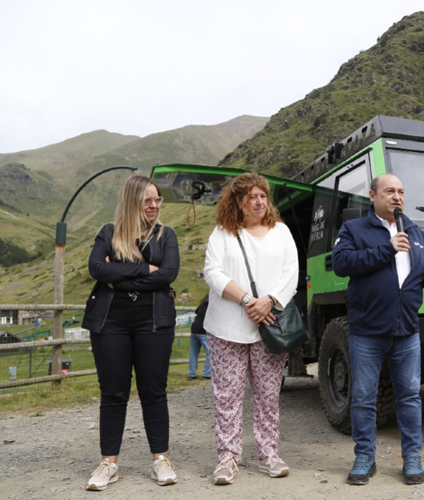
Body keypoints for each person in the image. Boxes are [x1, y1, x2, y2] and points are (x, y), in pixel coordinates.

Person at [332, 173, 424, 486]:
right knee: (362, 396)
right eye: (389, 191)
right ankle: (364, 457)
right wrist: (386, 249)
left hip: (406, 332)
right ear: (372, 196)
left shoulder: (414, 232)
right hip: (366, 331)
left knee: (410, 396)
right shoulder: (354, 229)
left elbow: (423, 278)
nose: (397, 196)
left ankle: (412, 457)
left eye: (401, 191)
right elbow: (342, 263)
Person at [82, 175, 180, 490]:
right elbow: (97, 269)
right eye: (147, 200)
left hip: (153, 320)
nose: (153, 206)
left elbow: (168, 275)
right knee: (113, 393)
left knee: (153, 390)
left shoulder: (167, 235)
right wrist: (143, 269)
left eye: (157, 200)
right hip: (111, 321)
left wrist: (119, 277)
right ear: (131, 201)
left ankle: (160, 460)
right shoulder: (107, 233)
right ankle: (108, 463)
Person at [202, 172, 300, 485]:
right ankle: (227, 457)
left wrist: (269, 301)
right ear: (238, 201)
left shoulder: (281, 231)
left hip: (269, 326)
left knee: (268, 396)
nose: (258, 202)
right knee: (227, 396)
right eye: (251, 196)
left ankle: (269, 453)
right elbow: (212, 273)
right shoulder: (223, 233)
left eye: (262, 196)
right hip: (225, 327)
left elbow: (291, 274)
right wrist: (247, 299)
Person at [188, 295, 211, 380]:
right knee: (210, 352)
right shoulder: (212, 304)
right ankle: (207, 374)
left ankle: (192, 374)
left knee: (193, 352)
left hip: (194, 328)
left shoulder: (203, 303)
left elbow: (196, 312)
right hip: (203, 329)